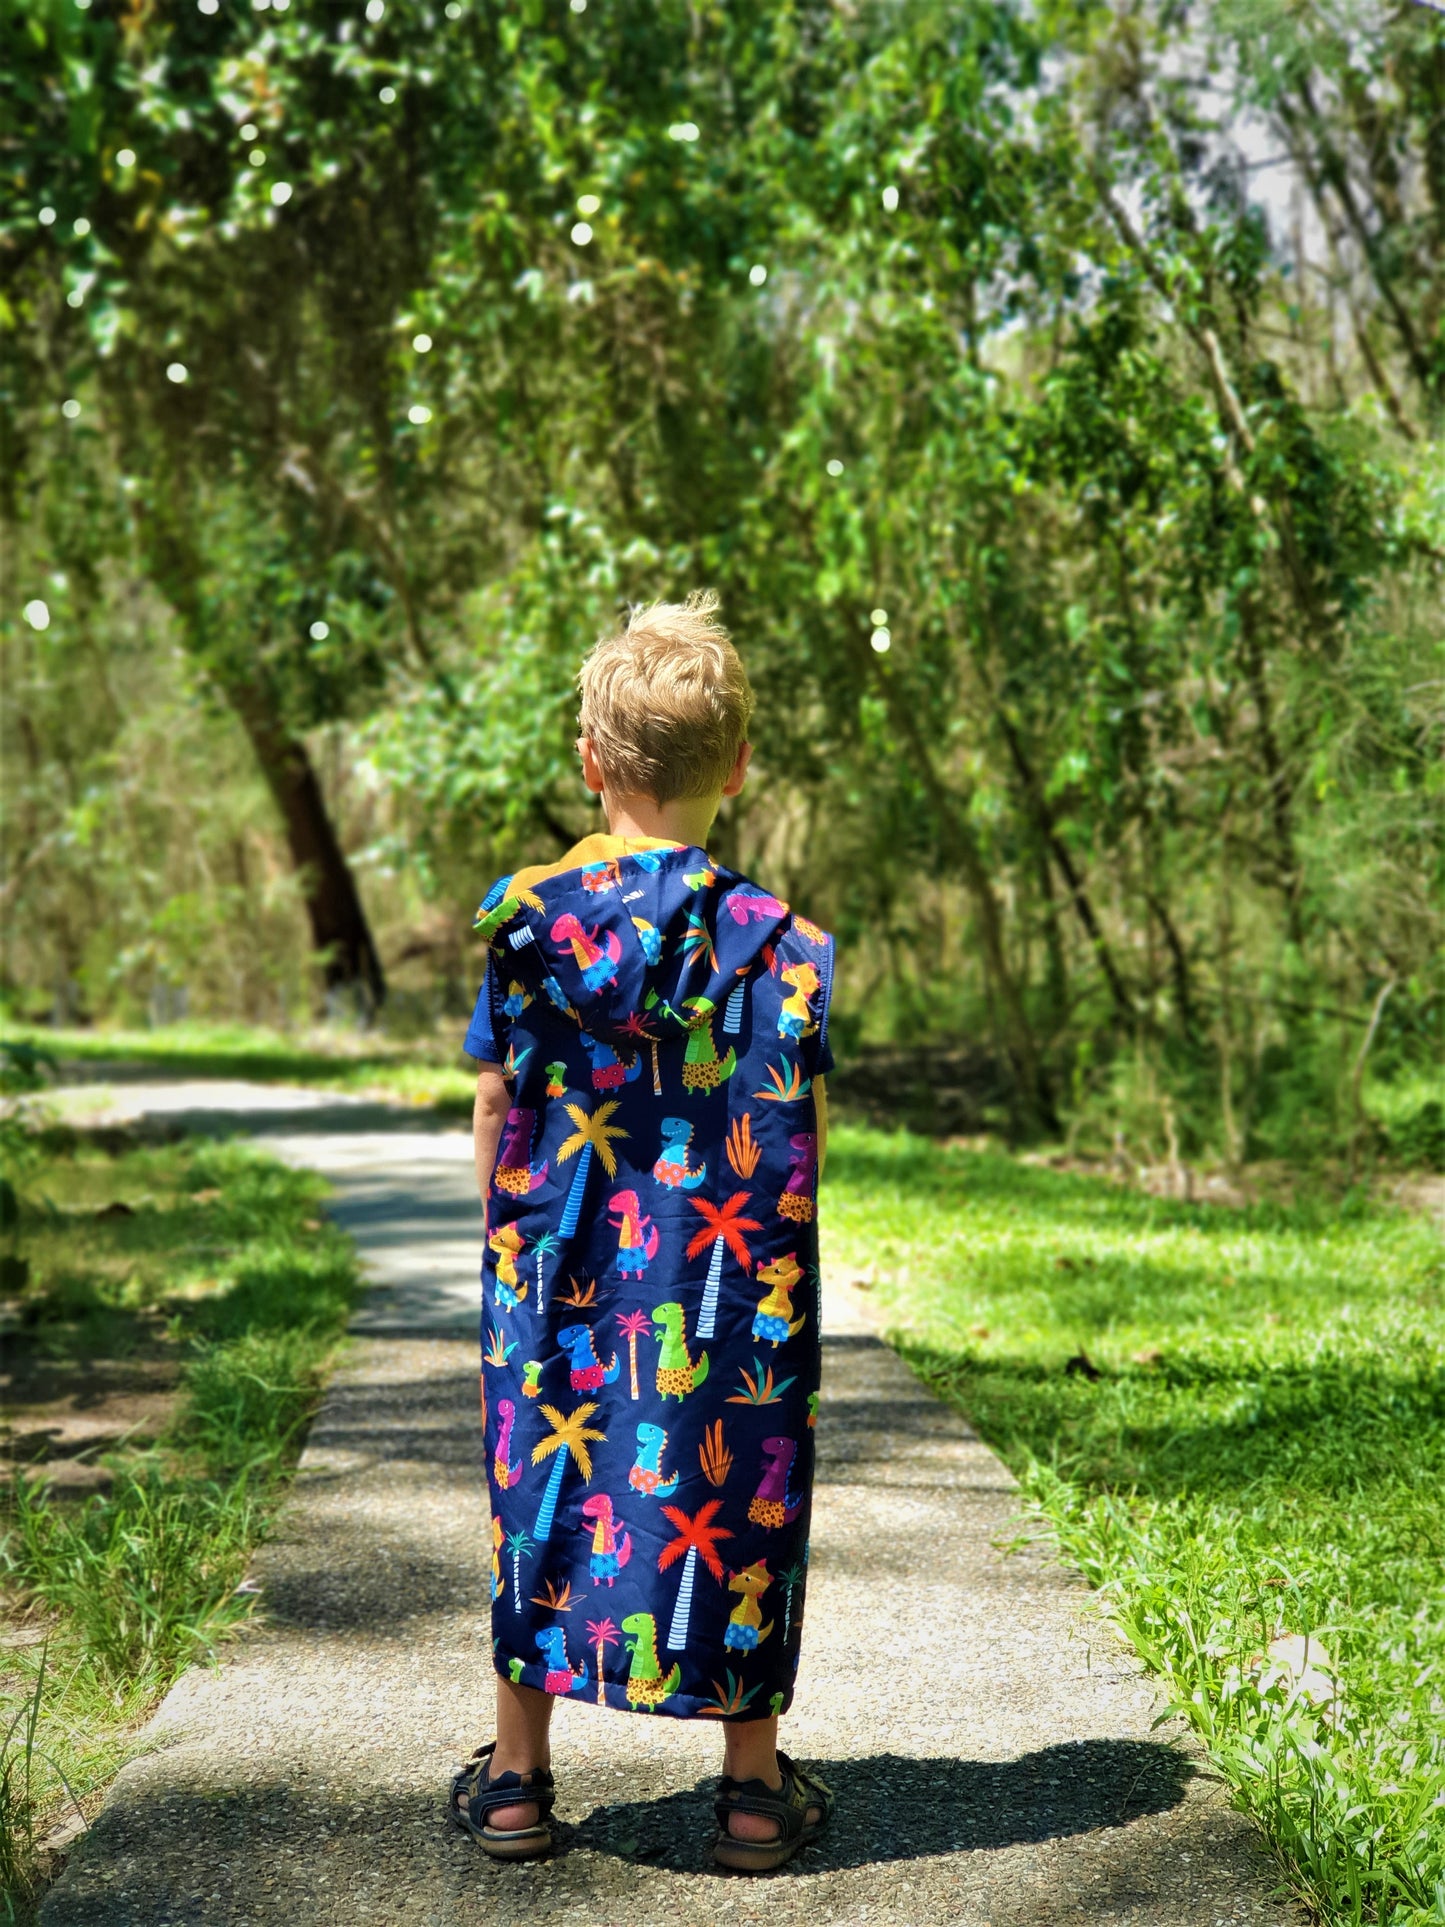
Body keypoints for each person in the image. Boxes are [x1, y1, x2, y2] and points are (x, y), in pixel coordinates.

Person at [448, 592, 836, 1872]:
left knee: (537, 1490)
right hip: (728, 1281)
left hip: (554, 1264)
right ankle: (749, 1791)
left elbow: (496, 1102)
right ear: (736, 767)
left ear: (590, 762)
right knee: (738, 1497)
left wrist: (511, 1244)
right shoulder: (780, 949)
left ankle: (516, 1779)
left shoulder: (524, 922)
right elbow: (801, 1130)